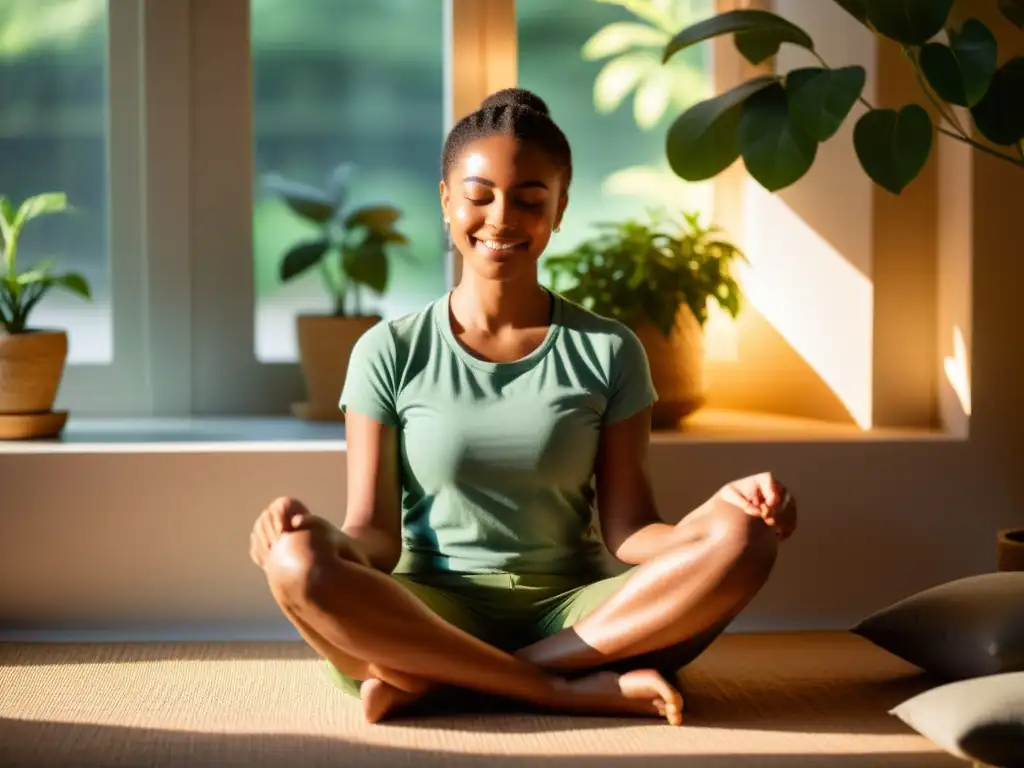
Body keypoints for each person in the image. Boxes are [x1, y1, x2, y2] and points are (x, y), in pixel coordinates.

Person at [249, 88, 797, 726]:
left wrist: (718, 517)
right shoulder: (387, 351)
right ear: (447, 201)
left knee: (747, 542)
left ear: (559, 209)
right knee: (296, 566)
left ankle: (445, 678)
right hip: (426, 609)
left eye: (530, 200)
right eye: (479, 196)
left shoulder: (609, 350)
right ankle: (556, 689)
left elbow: (630, 532)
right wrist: (315, 541)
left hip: (582, 617)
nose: (502, 219)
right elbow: (374, 537)